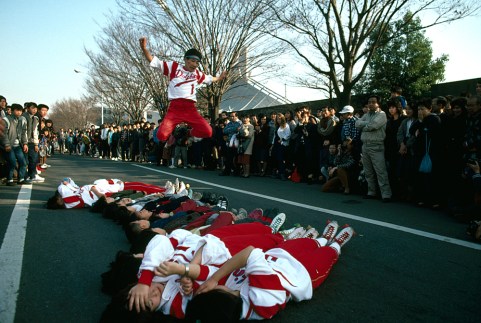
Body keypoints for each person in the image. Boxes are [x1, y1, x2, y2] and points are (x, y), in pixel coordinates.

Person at [185, 222, 355, 321]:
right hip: (301, 273)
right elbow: (250, 252)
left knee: (309, 243)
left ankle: (323, 238)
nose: (211, 288)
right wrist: (215, 278)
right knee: (327, 254)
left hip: (277, 255)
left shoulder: (230, 297)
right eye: (212, 292)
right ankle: (337, 244)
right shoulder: (262, 303)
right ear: (224, 297)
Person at [139, 37, 227, 142]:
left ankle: (187, 133)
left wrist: (219, 78)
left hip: (190, 109)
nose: (195, 65)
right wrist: (144, 49)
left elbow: (210, 78)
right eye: (192, 61)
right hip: (175, 108)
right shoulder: (175, 67)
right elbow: (155, 62)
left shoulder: (197, 74)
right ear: (185, 59)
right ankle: (173, 134)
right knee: (161, 136)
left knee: (208, 132)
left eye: (197, 63)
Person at [355, 95, 392, 202]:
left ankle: (386, 194)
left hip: (377, 145)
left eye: (373, 102)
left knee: (380, 171)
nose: (370, 104)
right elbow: (357, 124)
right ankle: (371, 192)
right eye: (369, 102)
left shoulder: (382, 114)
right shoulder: (366, 115)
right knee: (368, 171)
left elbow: (374, 126)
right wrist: (366, 125)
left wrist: (364, 125)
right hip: (365, 145)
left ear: (378, 104)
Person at [2, 104, 29, 185]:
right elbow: (3, 134)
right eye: (17, 110)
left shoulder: (22, 120)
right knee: (12, 162)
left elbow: (24, 133)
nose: (19, 112)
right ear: (12, 111)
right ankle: (9, 179)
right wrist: (6, 144)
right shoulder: (6, 120)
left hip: (18, 146)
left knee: (23, 162)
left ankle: (21, 179)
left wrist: (25, 143)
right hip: (9, 145)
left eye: (20, 111)